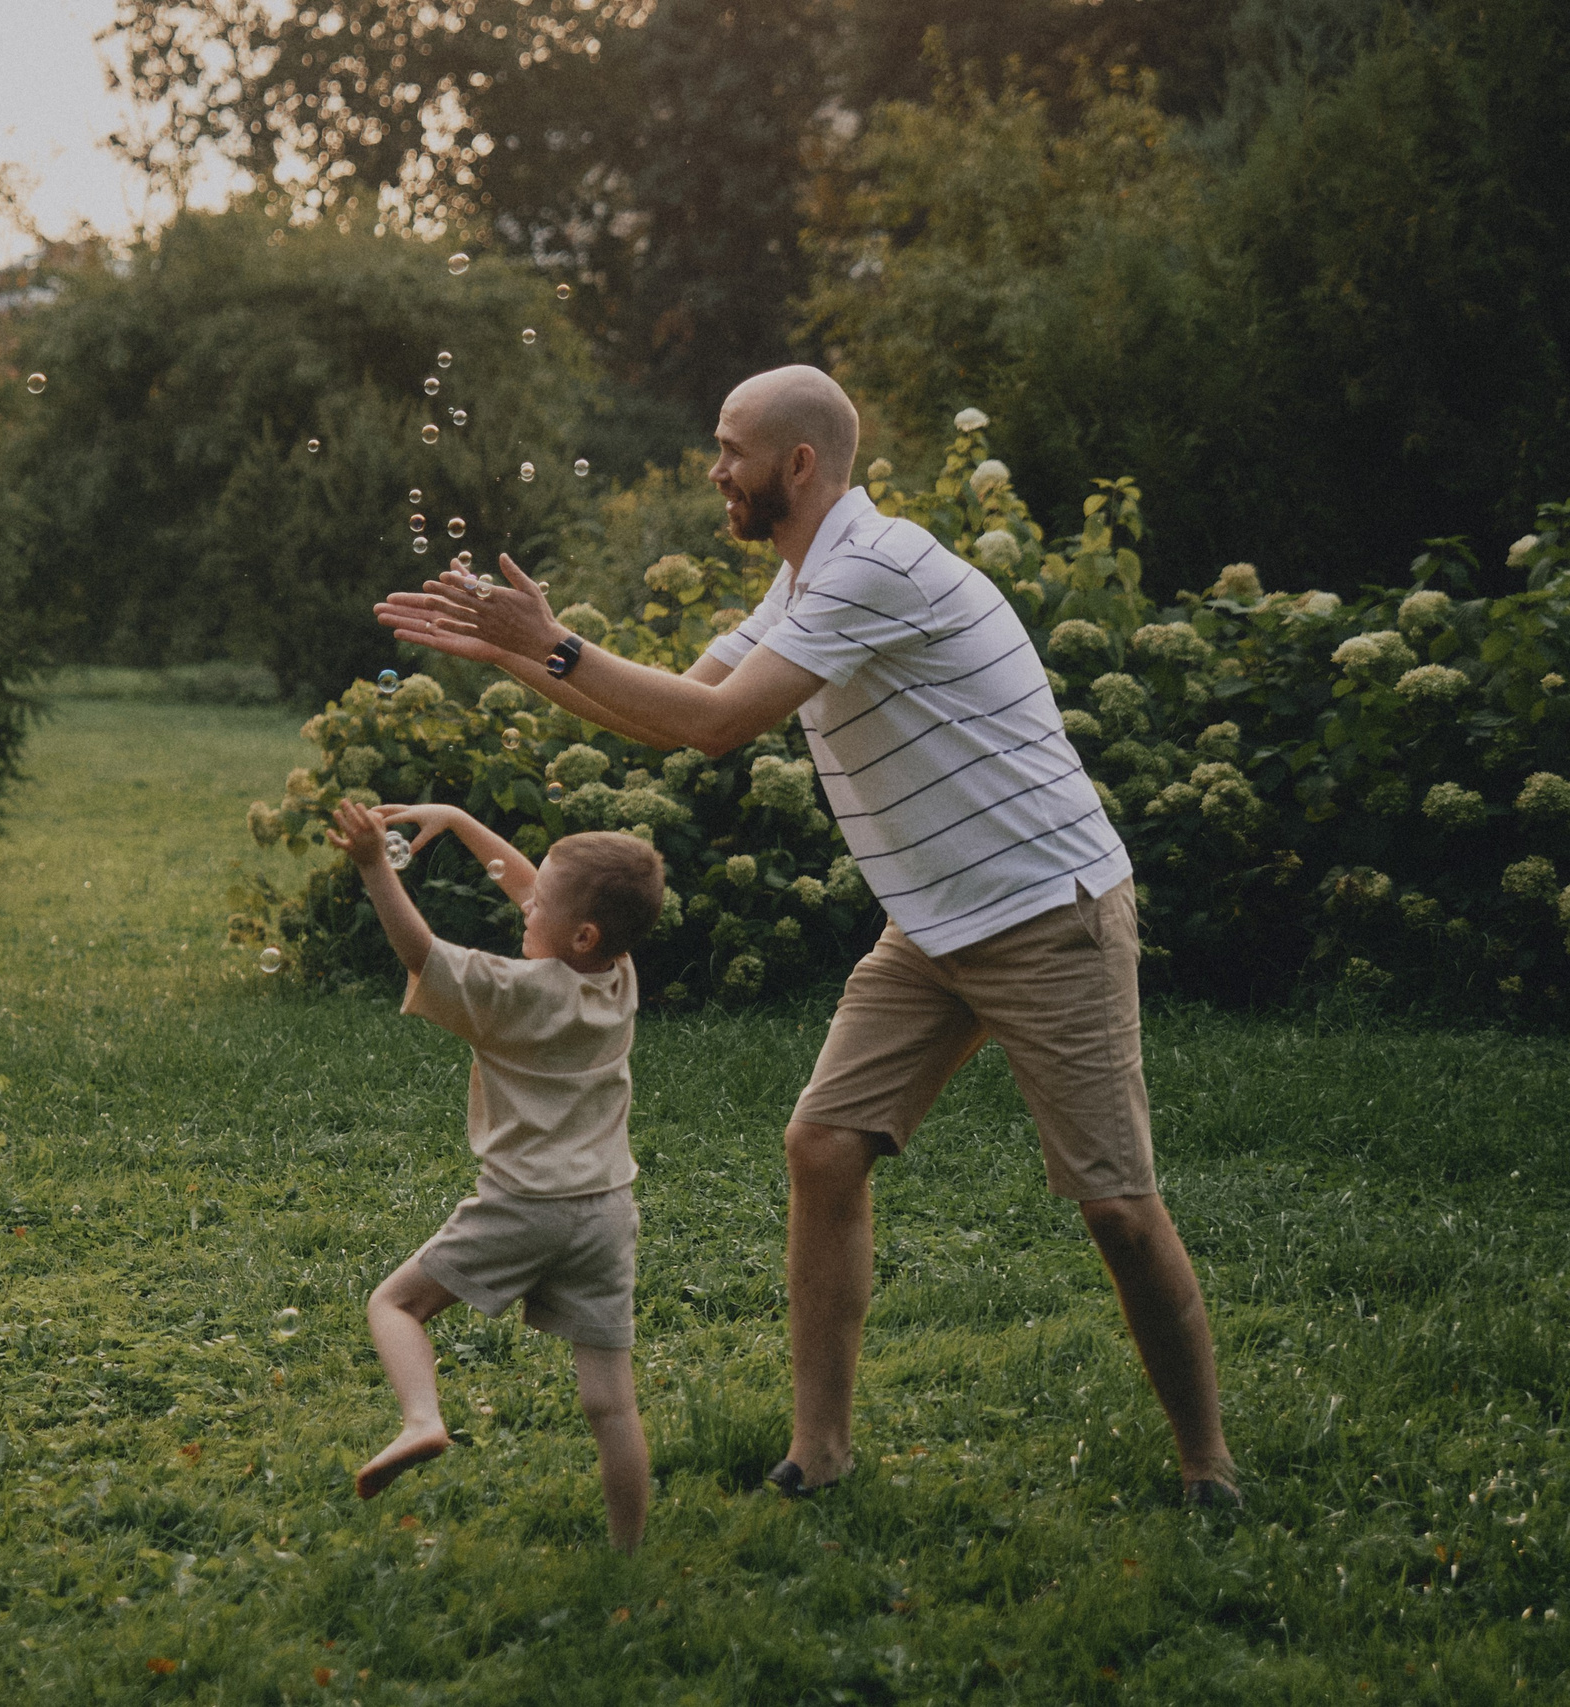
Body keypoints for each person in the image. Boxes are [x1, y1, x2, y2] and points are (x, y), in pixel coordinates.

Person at [375, 365, 1240, 1505]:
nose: (715, 471)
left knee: (1117, 1206)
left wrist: (559, 645)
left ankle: (1206, 1466)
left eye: (730, 450)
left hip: (1044, 911)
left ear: (797, 465)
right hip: (932, 922)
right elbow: (675, 716)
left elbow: (722, 725)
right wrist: (518, 655)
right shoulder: (805, 583)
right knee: (823, 1147)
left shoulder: (875, 567)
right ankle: (818, 1455)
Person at [320, 798, 663, 1554]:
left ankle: (421, 1419)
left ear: (580, 932)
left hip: (522, 1207)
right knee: (611, 1401)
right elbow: (537, 886)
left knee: (395, 1303)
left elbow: (420, 950)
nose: (526, 896)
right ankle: (628, 1554)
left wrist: (377, 865)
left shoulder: (512, 992)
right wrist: (461, 821)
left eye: (541, 900)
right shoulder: (619, 977)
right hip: (606, 1213)